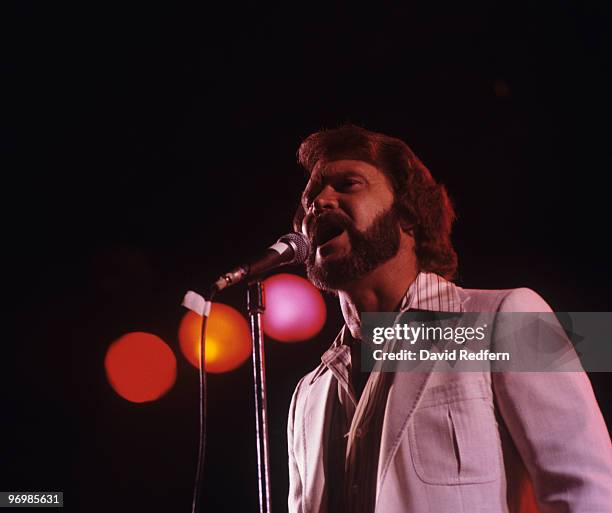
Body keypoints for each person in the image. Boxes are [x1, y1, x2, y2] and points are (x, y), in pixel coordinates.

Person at [286, 125, 612, 513]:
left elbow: (585, 492)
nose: (318, 202)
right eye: (310, 197)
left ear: (407, 215)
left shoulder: (510, 318)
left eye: (347, 184)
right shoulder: (308, 394)